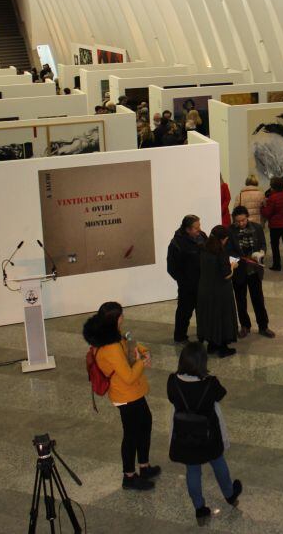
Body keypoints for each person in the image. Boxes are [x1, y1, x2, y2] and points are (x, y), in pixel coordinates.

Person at [82, 302, 159, 491]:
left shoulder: (109, 335)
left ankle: (144, 466)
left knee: (145, 423)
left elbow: (128, 344)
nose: (123, 318)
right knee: (131, 434)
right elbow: (130, 377)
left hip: (132, 393)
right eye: (121, 316)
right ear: (115, 319)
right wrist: (142, 362)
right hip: (125, 394)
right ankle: (129, 477)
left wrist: (142, 350)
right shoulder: (110, 347)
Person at [167, 342, 242, 526]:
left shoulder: (173, 381)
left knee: (192, 470)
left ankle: (200, 508)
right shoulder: (210, 383)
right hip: (209, 435)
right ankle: (230, 495)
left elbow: (171, 398)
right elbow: (221, 395)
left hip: (185, 434)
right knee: (218, 462)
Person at [228, 206, 274, 338]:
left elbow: (263, 244)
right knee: (240, 300)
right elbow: (228, 250)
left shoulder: (257, 227)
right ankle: (245, 326)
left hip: (254, 270)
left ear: (247, 217)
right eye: (238, 221)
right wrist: (237, 260)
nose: (241, 223)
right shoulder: (230, 231)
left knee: (258, 299)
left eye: (243, 220)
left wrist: (261, 253)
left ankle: (263, 326)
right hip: (239, 270)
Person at [196, 225, 239, 358]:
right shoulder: (220, 252)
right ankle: (222, 347)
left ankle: (211, 345)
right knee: (222, 318)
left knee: (209, 317)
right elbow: (226, 275)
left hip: (205, 289)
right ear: (223, 239)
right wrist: (233, 266)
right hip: (220, 291)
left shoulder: (203, 248)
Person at [168, 215, 206, 344]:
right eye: (196, 228)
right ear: (187, 229)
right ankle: (180, 336)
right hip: (187, 287)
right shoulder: (176, 243)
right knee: (184, 312)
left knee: (203, 311)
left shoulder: (203, 237)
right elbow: (172, 268)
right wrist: (184, 282)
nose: (199, 230)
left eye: (199, 226)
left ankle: (203, 335)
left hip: (202, 283)